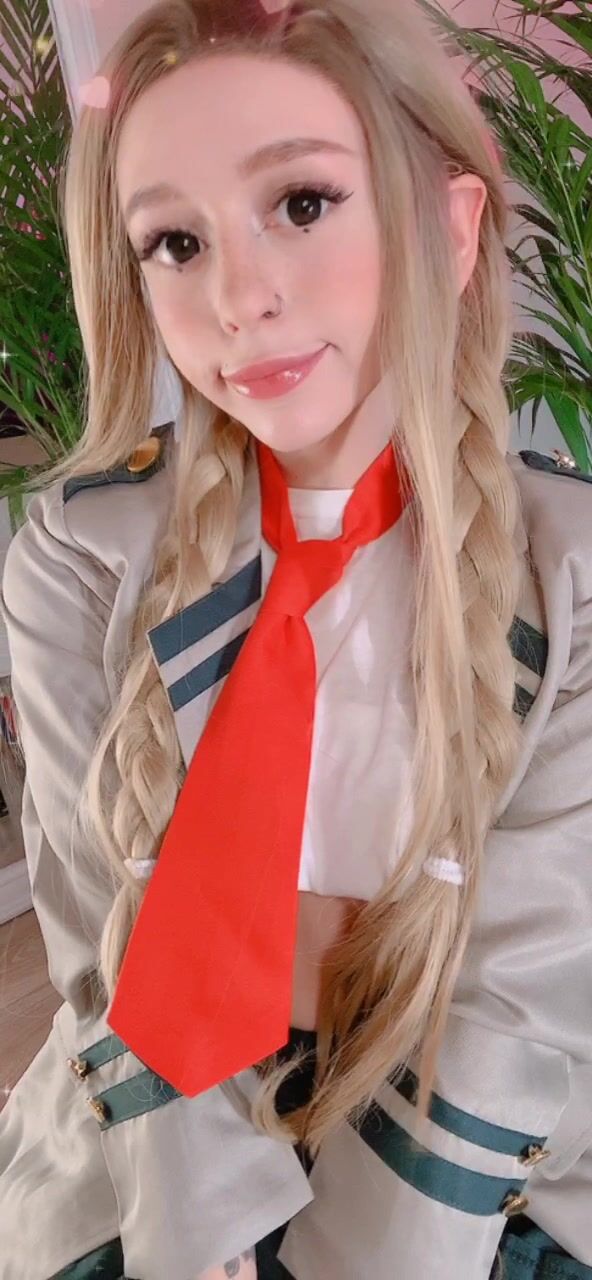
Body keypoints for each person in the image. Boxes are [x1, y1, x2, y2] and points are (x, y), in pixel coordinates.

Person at [1, 0, 591, 1277]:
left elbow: (519, 995)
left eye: (303, 203)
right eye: (174, 240)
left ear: (449, 225)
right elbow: (98, 930)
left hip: (483, 1162)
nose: (237, 297)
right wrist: (202, 1230)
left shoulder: (573, 573)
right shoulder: (77, 557)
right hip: (162, 1131)